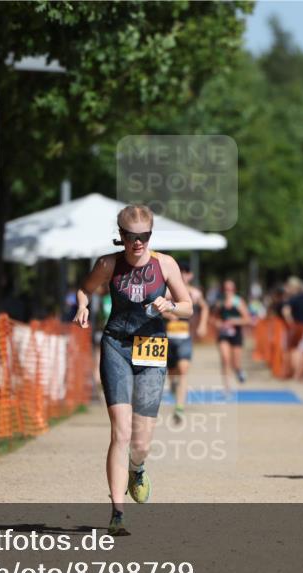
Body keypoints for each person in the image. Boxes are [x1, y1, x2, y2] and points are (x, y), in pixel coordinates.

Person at [73, 205, 193, 536]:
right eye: (131, 237)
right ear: (121, 235)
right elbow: (85, 288)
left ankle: (136, 469)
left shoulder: (165, 264)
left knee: (140, 442)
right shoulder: (109, 264)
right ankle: (116, 511)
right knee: (121, 432)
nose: (137, 243)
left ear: (150, 236)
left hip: (152, 347)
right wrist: (83, 306)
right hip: (116, 345)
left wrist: (169, 305)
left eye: (144, 237)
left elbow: (188, 307)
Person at [164, 260, 209, 424]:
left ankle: (179, 408)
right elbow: (155, 307)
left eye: (186, 272)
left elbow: (204, 307)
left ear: (191, 275)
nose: (182, 274)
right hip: (167, 337)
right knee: (172, 372)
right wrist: (169, 314)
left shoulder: (195, 293)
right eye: (180, 271)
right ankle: (174, 384)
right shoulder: (167, 291)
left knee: (183, 370)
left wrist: (203, 324)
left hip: (184, 337)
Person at [213, 279, 252, 391]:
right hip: (223, 334)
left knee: (236, 363)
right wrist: (218, 324)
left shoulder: (238, 302)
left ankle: (239, 371)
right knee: (225, 359)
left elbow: (247, 319)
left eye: (230, 289)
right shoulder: (220, 302)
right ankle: (227, 386)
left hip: (236, 334)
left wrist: (233, 321)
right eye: (225, 289)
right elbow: (214, 318)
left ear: (234, 290)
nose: (227, 291)